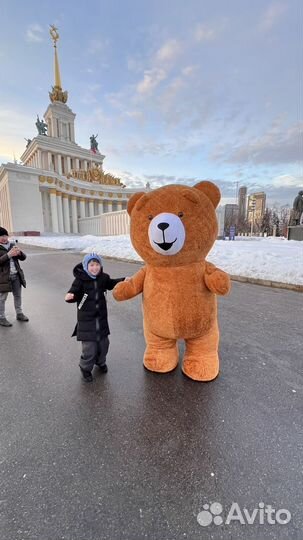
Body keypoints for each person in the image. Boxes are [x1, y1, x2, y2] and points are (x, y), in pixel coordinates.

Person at [65, 253, 125, 382]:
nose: (95, 268)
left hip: (101, 319)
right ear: (86, 266)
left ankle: (100, 362)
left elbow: (111, 283)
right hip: (86, 320)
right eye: (92, 265)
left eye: (97, 264)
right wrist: (70, 296)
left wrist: (124, 280)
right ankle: (85, 368)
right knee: (89, 349)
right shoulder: (80, 280)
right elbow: (73, 292)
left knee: (104, 344)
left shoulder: (103, 278)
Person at [0, 227, 29, 327]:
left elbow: (23, 258)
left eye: (5, 235)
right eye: (1, 236)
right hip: (3, 277)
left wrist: (20, 253)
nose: (4, 238)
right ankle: (1, 317)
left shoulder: (12, 245)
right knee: (2, 298)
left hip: (16, 275)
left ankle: (19, 313)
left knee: (17, 295)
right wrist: (8, 255)